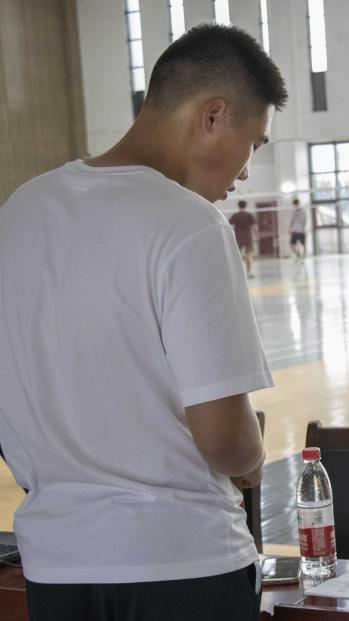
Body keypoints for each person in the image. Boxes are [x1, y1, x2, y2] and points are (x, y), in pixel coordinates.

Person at [0, 24, 287, 621]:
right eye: (254, 143)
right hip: (183, 565)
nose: (245, 172)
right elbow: (224, 440)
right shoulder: (189, 225)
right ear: (212, 115)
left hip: (56, 566)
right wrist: (252, 455)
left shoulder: (18, 213)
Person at [230, 199, 258, 276]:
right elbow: (254, 227)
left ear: (238, 206)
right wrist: (257, 235)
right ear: (246, 206)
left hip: (238, 238)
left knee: (237, 256)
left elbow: (229, 226)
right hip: (248, 238)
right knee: (248, 255)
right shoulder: (249, 215)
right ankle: (248, 272)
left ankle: (238, 272)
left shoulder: (235, 215)